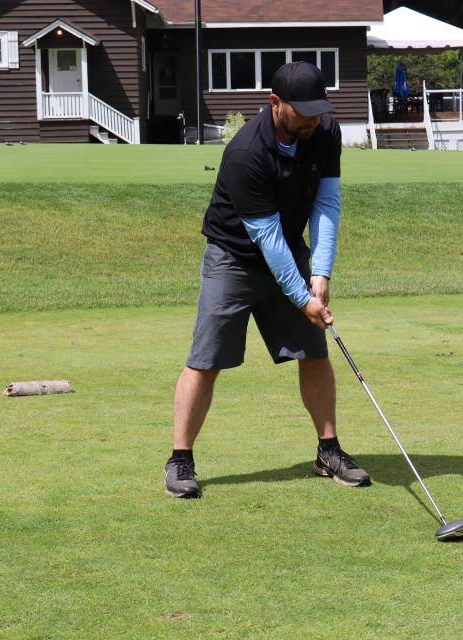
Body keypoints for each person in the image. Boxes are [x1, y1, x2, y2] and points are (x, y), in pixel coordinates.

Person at [164, 62, 371, 499]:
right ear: (276, 104)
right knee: (206, 359)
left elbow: (328, 201)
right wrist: (301, 297)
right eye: (304, 111)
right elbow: (266, 237)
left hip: (289, 249)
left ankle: (328, 450)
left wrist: (321, 272)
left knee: (314, 352)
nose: (313, 119)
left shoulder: (324, 131)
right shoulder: (245, 153)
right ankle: (180, 459)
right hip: (233, 258)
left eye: (319, 110)